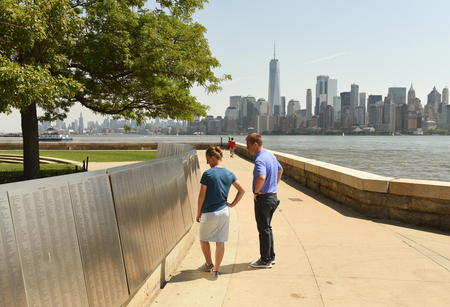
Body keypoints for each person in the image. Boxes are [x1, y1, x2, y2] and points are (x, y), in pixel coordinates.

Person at [196, 146, 245, 277]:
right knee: (220, 240)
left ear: (213, 158)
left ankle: (208, 264)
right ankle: (216, 270)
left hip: (209, 212)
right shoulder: (229, 173)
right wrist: (232, 204)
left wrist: (198, 212)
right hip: (224, 211)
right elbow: (242, 190)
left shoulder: (208, 174)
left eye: (207, 159)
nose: (207, 163)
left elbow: (201, 196)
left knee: (203, 238)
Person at [246, 133, 283, 269]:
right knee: (267, 228)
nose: (247, 149)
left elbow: (261, 176)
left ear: (255, 144)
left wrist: (256, 192)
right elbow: (280, 170)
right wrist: (273, 185)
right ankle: (270, 257)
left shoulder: (260, 159)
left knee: (263, 230)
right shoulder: (270, 155)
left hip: (263, 199)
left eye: (249, 146)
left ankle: (265, 260)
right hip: (273, 197)